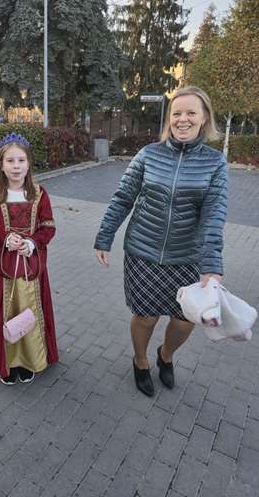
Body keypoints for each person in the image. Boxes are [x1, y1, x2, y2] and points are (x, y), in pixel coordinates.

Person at [94, 86, 227, 396]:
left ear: (204, 118)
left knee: (185, 320)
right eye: (177, 113)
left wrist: (212, 265)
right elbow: (123, 197)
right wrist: (104, 236)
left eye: (191, 112)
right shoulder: (149, 155)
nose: (183, 119)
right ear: (169, 119)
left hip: (186, 256)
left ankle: (165, 355)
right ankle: (140, 360)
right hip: (143, 252)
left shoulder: (215, 163)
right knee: (146, 316)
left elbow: (213, 215)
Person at [0, 132, 58, 385]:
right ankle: (9, 362)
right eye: (10, 161)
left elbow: (48, 227)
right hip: (4, 269)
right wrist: (4, 239)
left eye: (21, 160)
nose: (16, 166)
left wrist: (32, 243)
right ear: (1, 165)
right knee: (7, 311)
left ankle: (29, 360)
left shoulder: (39, 194)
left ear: (29, 163)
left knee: (29, 310)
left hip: (31, 266)